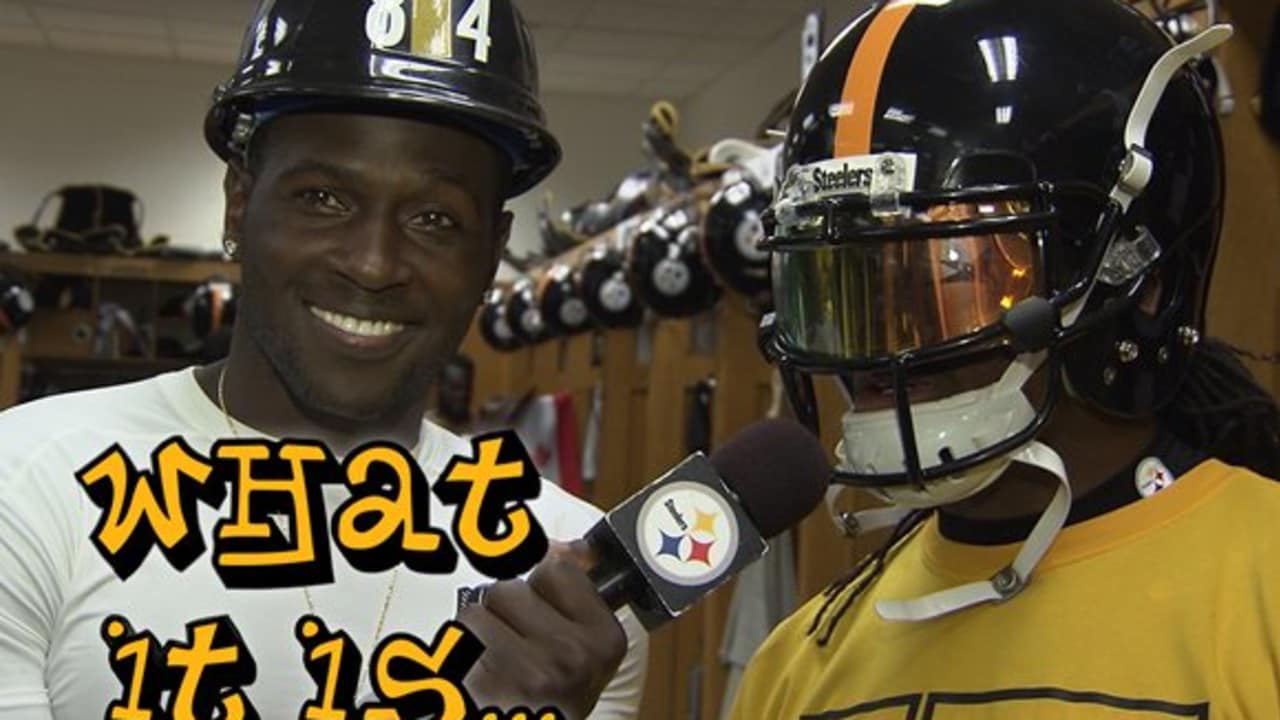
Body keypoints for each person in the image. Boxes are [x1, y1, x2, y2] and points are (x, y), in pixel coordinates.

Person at [0, 1, 647, 718]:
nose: (373, 264)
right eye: (323, 198)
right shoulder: (28, 486)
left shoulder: (564, 586)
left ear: (491, 253)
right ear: (239, 204)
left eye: (435, 219)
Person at [732, 0, 1280, 716]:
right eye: (846, 290)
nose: (875, 356)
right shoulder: (796, 663)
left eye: (948, 279)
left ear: (1138, 283)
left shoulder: (1263, 592)